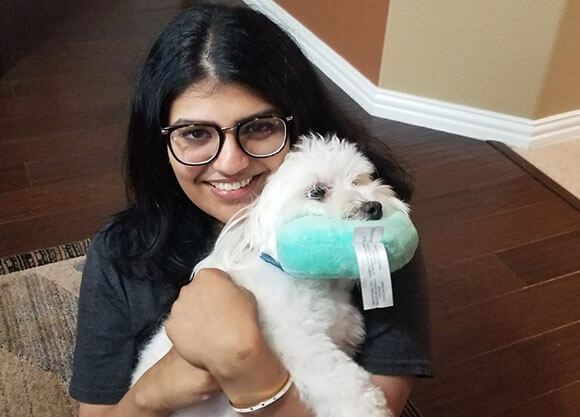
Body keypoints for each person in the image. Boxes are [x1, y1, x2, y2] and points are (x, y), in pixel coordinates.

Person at [69, 2, 433, 417]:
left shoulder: (370, 235)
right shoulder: (120, 254)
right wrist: (154, 394)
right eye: (195, 133)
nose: (231, 163)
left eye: (259, 128)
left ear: (300, 130)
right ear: (160, 145)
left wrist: (248, 369)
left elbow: (375, 407)